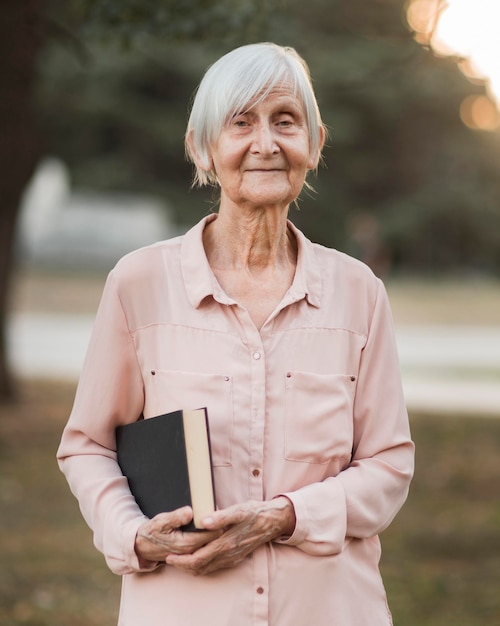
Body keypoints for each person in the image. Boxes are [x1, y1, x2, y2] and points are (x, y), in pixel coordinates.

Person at [57, 42, 414, 626]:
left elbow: (389, 465)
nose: (266, 144)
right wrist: (135, 535)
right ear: (202, 147)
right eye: (240, 122)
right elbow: (87, 446)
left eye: (285, 121)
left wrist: (283, 516)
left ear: (315, 144)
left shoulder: (359, 292)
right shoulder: (139, 283)